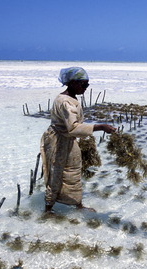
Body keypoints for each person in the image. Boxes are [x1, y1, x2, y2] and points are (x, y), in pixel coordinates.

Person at [40, 67, 116, 213]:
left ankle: (77, 204)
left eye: (87, 85)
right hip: (58, 141)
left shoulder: (72, 98)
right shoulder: (65, 102)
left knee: (73, 171)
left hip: (68, 140)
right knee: (56, 173)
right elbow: (73, 128)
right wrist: (100, 127)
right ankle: (48, 209)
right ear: (73, 83)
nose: (86, 88)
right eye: (83, 84)